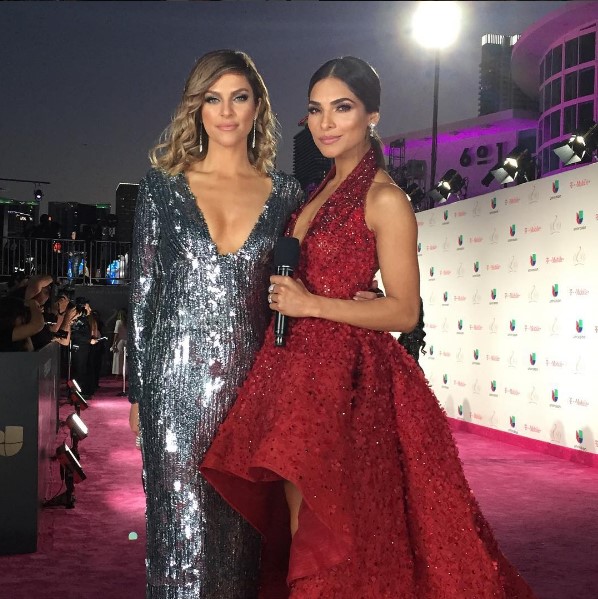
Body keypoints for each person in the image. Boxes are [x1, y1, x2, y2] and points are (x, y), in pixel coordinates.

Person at [201, 57, 537, 598]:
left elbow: (405, 312)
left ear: (372, 115)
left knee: (328, 528)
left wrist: (312, 305)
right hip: (292, 374)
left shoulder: (384, 198)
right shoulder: (316, 191)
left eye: (342, 108)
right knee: (300, 524)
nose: (326, 123)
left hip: (345, 384)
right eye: (316, 110)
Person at [111, 308, 128, 376]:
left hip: (120, 341)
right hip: (127, 341)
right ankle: (125, 372)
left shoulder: (118, 322)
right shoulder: (128, 322)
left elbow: (116, 333)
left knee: (118, 357)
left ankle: (117, 373)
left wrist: (113, 343)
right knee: (125, 358)